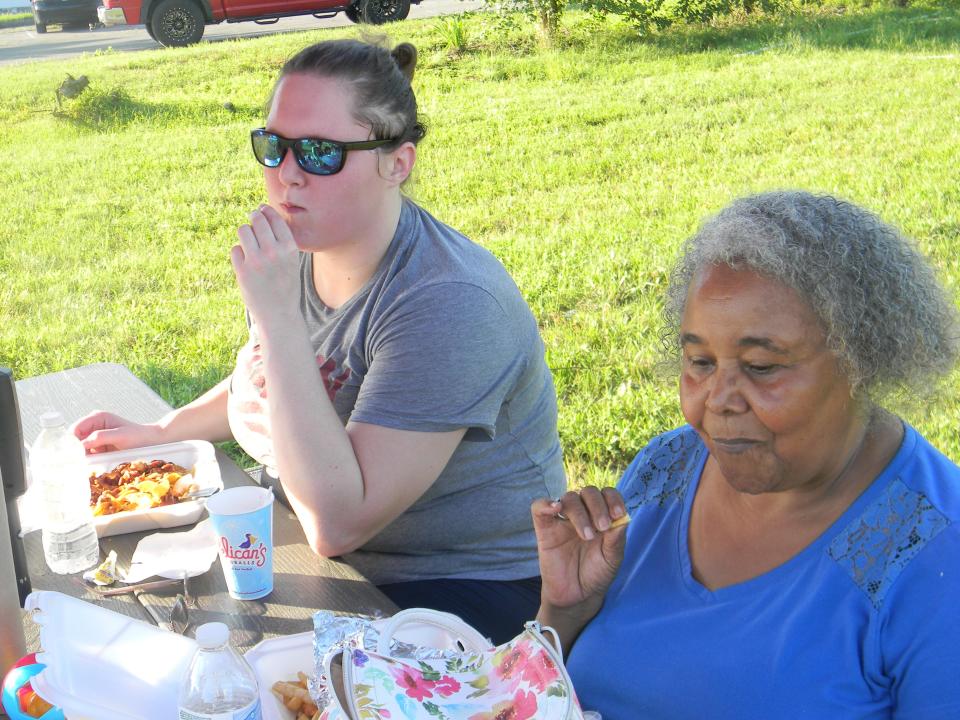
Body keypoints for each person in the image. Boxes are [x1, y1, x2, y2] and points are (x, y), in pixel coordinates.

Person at [74, 38, 565, 643]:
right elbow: (262, 381)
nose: (286, 174)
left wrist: (277, 315)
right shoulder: (308, 248)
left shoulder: (449, 302)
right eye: (272, 146)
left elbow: (337, 522)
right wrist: (163, 432)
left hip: (459, 588)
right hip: (317, 547)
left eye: (319, 152)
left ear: (397, 163)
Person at [532, 191, 960, 718]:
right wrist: (567, 611)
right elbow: (552, 694)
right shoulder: (668, 468)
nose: (718, 400)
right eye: (700, 361)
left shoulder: (938, 559)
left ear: (862, 363)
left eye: (761, 366)